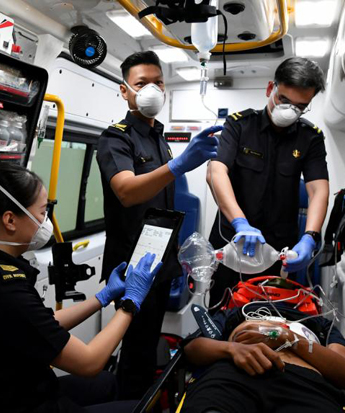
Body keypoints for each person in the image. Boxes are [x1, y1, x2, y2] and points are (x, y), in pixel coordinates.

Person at [0, 163, 161, 413]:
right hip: (26, 403)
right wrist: (130, 303)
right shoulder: (2, 290)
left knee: (107, 383)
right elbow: (90, 362)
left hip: (26, 384)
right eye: (42, 212)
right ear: (10, 220)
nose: (46, 221)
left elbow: (43, 323)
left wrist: (102, 298)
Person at [97, 50, 222, 398]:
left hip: (159, 262)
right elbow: (125, 191)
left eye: (158, 83)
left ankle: (140, 396)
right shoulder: (115, 137)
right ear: (125, 90)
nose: (151, 89)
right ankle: (128, 402)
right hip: (131, 267)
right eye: (141, 84)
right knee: (135, 349)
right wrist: (180, 164)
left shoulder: (159, 137)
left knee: (147, 343)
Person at [206, 57, 330, 308]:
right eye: (284, 100)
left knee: (269, 322)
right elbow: (216, 172)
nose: (289, 110)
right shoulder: (239, 125)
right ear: (270, 89)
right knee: (221, 314)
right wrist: (240, 223)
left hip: (278, 251)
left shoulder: (311, 137)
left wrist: (310, 237)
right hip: (232, 243)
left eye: (300, 106)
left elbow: (318, 190)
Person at [180, 302, 345, 413]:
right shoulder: (240, 312)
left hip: (303, 383)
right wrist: (231, 349)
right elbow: (191, 349)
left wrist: (286, 337)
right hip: (235, 371)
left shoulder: (319, 323)